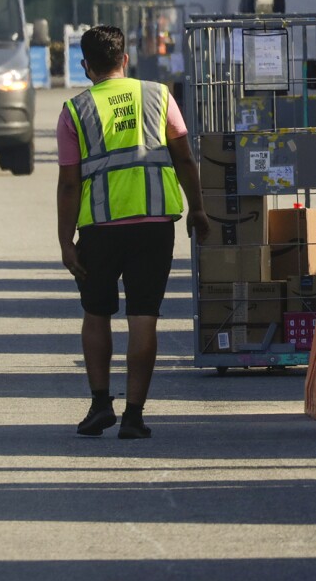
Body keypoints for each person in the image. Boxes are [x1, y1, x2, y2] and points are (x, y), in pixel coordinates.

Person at [57, 25, 210, 439]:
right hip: (155, 227)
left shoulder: (75, 110)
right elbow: (185, 158)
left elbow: (69, 183)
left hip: (100, 230)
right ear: (125, 59)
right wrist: (197, 208)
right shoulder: (159, 95)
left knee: (96, 314)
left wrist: (65, 242)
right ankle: (134, 416)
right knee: (144, 319)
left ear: (86, 66)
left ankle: (100, 404)